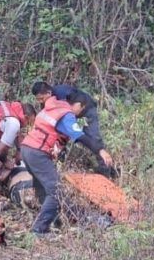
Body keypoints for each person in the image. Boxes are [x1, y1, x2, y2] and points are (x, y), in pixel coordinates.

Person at [20, 93, 113, 238]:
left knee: (44, 189)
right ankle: (39, 229)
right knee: (56, 191)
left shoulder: (53, 107)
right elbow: (80, 137)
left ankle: (57, 220)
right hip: (38, 153)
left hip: (27, 148)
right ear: (77, 104)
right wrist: (100, 150)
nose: (80, 114)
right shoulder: (66, 116)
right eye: (81, 109)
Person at [32, 81, 115, 177]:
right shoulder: (46, 102)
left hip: (85, 114)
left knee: (92, 137)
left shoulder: (63, 91)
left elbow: (81, 101)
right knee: (61, 139)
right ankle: (58, 165)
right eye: (38, 99)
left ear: (49, 93)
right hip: (70, 119)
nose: (40, 102)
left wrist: (71, 119)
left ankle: (106, 171)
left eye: (41, 98)